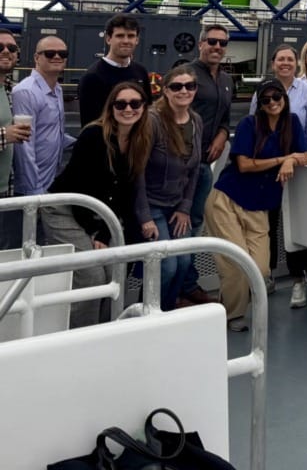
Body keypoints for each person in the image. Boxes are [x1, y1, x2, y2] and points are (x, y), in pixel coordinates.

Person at [205, 78, 307, 332]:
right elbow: (244, 164)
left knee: (261, 268)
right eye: (266, 100)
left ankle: (229, 303)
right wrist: (282, 159)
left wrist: (292, 160)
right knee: (236, 265)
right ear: (260, 104)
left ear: (284, 100)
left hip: (260, 206)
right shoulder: (248, 124)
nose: (272, 102)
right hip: (228, 200)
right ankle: (233, 315)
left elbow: (306, 155)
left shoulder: (292, 123)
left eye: (277, 98)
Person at [44, 82, 151, 327]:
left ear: (144, 108)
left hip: (100, 215)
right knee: (91, 275)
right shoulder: (94, 135)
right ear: (111, 107)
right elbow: (81, 186)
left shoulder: (138, 141)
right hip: (66, 208)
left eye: (135, 103)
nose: (128, 109)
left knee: (116, 271)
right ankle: (80, 335)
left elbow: (125, 193)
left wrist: (103, 231)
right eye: (121, 104)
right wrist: (95, 232)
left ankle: (106, 329)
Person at [252, 44, 307, 307]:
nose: (285, 63)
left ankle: (298, 280)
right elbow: (252, 125)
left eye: (290, 59)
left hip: (298, 166)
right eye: (280, 59)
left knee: (295, 226)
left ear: (296, 63)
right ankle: (267, 274)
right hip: (266, 168)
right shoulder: (262, 91)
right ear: (273, 63)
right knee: (266, 224)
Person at [135, 67, 203, 311]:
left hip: (177, 205)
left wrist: (185, 207)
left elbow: (194, 169)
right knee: (166, 265)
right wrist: (144, 217)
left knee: (184, 262)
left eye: (190, 86)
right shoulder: (152, 121)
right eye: (177, 86)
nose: (184, 91)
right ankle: (150, 311)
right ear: (165, 91)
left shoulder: (195, 122)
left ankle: (168, 309)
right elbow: (138, 170)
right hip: (152, 204)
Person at [180, 23, 235, 306]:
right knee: (179, 223)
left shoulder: (226, 80)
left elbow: (225, 118)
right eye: (211, 42)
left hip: (204, 165)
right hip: (181, 166)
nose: (217, 47)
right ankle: (177, 287)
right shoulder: (186, 75)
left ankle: (187, 284)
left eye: (222, 43)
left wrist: (222, 137)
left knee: (195, 223)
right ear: (200, 44)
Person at [12, 36, 75, 198]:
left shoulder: (57, 89)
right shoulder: (26, 91)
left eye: (62, 53)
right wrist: (35, 191)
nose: (57, 57)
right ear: (36, 58)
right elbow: (24, 147)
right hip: (33, 188)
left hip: (50, 180)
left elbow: (52, 132)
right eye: (49, 53)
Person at [77, 14, 151, 126]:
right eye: (120, 36)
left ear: (137, 40)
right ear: (108, 39)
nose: (126, 41)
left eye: (131, 36)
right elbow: (90, 125)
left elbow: (147, 110)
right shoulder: (92, 77)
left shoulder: (141, 72)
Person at [0, 29, 30, 248]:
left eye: (12, 48)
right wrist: (4, 135)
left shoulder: (11, 89)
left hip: (5, 191)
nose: (6, 51)